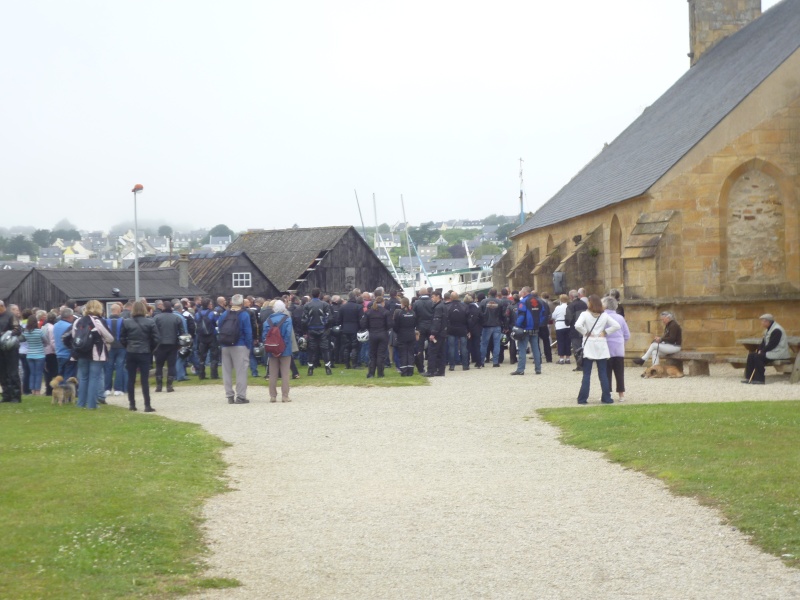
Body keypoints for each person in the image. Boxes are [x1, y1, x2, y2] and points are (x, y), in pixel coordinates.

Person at [575, 294, 621, 405]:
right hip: (601, 346)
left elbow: (577, 325)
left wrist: (586, 332)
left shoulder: (585, 314)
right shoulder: (603, 316)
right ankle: (606, 397)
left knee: (587, 374)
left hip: (589, 345)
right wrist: (604, 332)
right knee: (603, 374)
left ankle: (582, 398)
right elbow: (616, 325)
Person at [72, 300, 114, 410]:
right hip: (96, 353)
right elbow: (110, 337)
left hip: (81, 352)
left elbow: (74, 336)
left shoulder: (78, 321)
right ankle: (92, 404)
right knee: (94, 378)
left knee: (83, 378)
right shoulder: (98, 321)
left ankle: (81, 403)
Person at [120, 300, 160, 412]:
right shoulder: (150, 322)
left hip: (131, 351)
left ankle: (132, 404)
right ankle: (147, 405)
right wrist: (150, 349)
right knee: (144, 379)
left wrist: (128, 346)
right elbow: (156, 339)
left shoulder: (126, 322)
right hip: (144, 352)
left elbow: (122, 338)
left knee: (131, 379)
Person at [219, 294, 253, 404]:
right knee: (241, 371)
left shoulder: (225, 314)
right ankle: (241, 396)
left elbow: (220, 327)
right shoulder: (244, 314)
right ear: (242, 303)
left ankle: (229, 395)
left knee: (226, 371)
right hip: (240, 344)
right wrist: (248, 346)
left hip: (225, 345)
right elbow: (248, 332)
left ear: (232, 302)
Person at [743, 314, 791, 385]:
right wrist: (758, 349)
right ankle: (749, 378)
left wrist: (762, 351)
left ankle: (760, 379)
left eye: (762, 321)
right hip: (772, 351)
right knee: (751, 355)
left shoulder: (777, 330)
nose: (761, 323)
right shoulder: (768, 330)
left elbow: (772, 344)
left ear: (767, 322)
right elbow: (764, 343)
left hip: (779, 352)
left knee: (758, 357)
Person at [264, 300, 294, 402]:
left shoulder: (268, 320)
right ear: (284, 308)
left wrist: (272, 347)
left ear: (274, 309)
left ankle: (273, 396)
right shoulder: (287, 319)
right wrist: (282, 348)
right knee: (285, 373)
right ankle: (285, 396)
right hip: (285, 350)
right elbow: (288, 334)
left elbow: (265, 335)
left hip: (272, 348)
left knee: (273, 374)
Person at [153, 302, 185, 393]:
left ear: (163, 307)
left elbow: (153, 331)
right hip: (173, 344)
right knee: (171, 365)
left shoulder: (156, 318)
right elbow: (182, 332)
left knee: (159, 365)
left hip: (160, 345)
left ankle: (159, 386)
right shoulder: (177, 318)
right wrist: (179, 344)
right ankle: (169, 386)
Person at [603, 296, 630, 401]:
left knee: (606, 372)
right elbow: (627, 334)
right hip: (618, 348)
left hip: (606, 348)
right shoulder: (620, 318)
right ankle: (621, 395)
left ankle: (607, 393)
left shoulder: (602, 317)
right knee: (619, 373)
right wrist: (622, 343)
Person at [510, 286, 542, 376]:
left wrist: (517, 325)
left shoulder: (523, 302)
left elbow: (521, 315)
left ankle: (520, 369)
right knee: (535, 349)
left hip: (525, 328)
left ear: (524, 293)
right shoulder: (538, 301)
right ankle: (538, 369)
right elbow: (543, 314)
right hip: (535, 327)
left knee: (522, 349)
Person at [360, 294, 391, 378]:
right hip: (383, 334)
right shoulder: (386, 312)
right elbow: (389, 324)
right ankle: (380, 373)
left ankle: (371, 373)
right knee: (381, 354)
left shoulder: (368, 312)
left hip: (372, 334)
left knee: (372, 354)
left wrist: (369, 329)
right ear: (383, 302)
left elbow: (363, 324)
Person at [302, 288, 332, 376]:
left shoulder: (307, 305)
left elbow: (304, 320)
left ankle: (310, 369)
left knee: (311, 349)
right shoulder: (325, 304)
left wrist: (305, 331)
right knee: (325, 349)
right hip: (322, 329)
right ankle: (328, 368)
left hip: (311, 330)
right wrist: (326, 328)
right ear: (319, 295)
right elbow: (329, 318)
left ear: (311, 295)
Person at [0, 301, 22, 403]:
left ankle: (16, 395)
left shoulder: (11, 316)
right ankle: (6, 395)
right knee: (2, 372)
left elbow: (17, 329)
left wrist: (6, 334)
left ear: (2, 306)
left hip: (10, 347)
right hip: (0, 349)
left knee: (12, 372)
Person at [104, 303, 127, 397]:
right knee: (119, 367)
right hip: (121, 346)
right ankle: (118, 389)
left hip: (109, 347)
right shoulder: (123, 321)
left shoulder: (105, 321)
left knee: (108, 368)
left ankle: (107, 389)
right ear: (119, 311)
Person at [195, 297, 219, 380]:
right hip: (211, 336)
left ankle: (201, 375)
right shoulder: (212, 313)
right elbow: (216, 323)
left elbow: (197, 323)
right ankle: (214, 375)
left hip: (201, 337)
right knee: (214, 356)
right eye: (211, 304)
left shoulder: (197, 313)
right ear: (208, 305)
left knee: (202, 357)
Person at [393, 297, 417, 377]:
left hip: (402, 335)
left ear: (402, 304)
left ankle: (404, 371)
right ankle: (410, 371)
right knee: (410, 353)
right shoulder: (413, 313)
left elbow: (395, 326)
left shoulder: (399, 313)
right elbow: (415, 324)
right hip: (411, 335)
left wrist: (399, 332)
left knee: (403, 354)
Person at [446, 292, 469, 371]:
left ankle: (452, 366)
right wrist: (468, 329)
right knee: (463, 347)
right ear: (458, 297)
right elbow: (468, 319)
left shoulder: (448, 307)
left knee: (451, 347)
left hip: (451, 329)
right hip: (462, 328)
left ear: (451, 298)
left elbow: (446, 319)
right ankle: (465, 365)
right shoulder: (464, 306)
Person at [338, 291, 362, 369]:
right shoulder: (358, 307)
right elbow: (360, 320)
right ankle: (354, 364)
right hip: (355, 329)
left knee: (346, 347)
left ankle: (347, 365)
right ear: (355, 297)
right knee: (355, 347)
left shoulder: (342, 307)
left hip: (345, 329)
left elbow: (339, 320)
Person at [23, 313, 46, 395]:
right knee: (39, 373)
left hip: (29, 354)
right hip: (40, 354)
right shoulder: (39, 332)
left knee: (32, 373)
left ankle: (32, 390)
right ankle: (37, 391)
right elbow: (46, 341)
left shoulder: (26, 332)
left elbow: (24, 340)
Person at [413, 287, 433, 374]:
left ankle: (421, 368)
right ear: (428, 293)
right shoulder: (432, 302)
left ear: (419, 294)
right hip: (431, 326)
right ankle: (432, 366)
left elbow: (414, 316)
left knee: (420, 348)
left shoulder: (416, 303)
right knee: (432, 347)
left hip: (420, 326)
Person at [565, 289, 587, 371]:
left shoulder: (571, 306)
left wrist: (567, 323)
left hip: (575, 330)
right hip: (585, 329)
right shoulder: (584, 304)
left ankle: (580, 365)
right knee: (584, 347)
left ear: (570, 297)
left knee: (576, 348)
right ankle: (585, 364)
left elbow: (568, 319)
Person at [480, 291, 503, 368]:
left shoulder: (483, 301)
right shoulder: (499, 302)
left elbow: (480, 313)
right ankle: (495, 362)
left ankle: (481, 361)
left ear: (488, 294)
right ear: (496, 294)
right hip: (497, 324)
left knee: (484, 344)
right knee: (497, 344)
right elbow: (502, 314)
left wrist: (482, 321)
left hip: (486, 325)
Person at [53, 307, 77, 379]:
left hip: (59, 354)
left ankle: (60, 389)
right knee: (69, 376)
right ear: (70, 316)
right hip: (68, 354)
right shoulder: (70, 326)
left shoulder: (55, 325)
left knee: (60, 376)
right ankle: (68, 390)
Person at [42, 311, 58, 396]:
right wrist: (56, 351)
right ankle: (50, 390)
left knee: (47, 372)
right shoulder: (52, 328)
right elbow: (52, 341)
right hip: (51, 352)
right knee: (53, 372)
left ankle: (48, 389)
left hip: (45, 351)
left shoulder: (43, 327)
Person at [552, 294, 571, 364]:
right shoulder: (569, 307)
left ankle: (561, 358)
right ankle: (568, 358)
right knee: (568, 342)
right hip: (568, 326)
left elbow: (553, 316)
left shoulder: (558, 307)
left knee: (560, 342)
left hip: (560, 325)